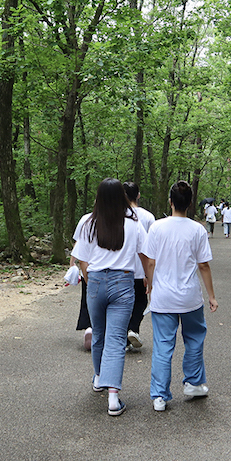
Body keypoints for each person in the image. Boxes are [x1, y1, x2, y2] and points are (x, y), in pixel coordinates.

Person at [71, 178, 148, 416]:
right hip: (123, 282)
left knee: (98, 334)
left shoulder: (88, 222)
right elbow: (145, 254)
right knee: (115, 339)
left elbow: (82, 258)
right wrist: (149, 279)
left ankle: (98, 378)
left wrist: (89, 280)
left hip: (95, 281)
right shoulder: (133, 222)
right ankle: (113, 398)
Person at [141, 181, 217, 412]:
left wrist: (151, 285)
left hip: (163, 297)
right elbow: (203, 265)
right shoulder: (197, 230)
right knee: (194, 339)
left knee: (163, 345)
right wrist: (211, 296)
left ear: (170, 202)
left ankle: (159, 396)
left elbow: (150, 262)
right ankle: (193, 383)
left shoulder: (157, 227)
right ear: (190, 203)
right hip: (190, 297)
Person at [123, 181, 156, 350]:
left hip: (122, 268)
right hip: (141, 268)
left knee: (122, 304)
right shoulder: (148, 217)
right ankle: (133, 328)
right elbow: (152, 246)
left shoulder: (117, 215)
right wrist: (149, 274)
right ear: (138, 195)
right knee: (140, 302)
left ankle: (125, 336)